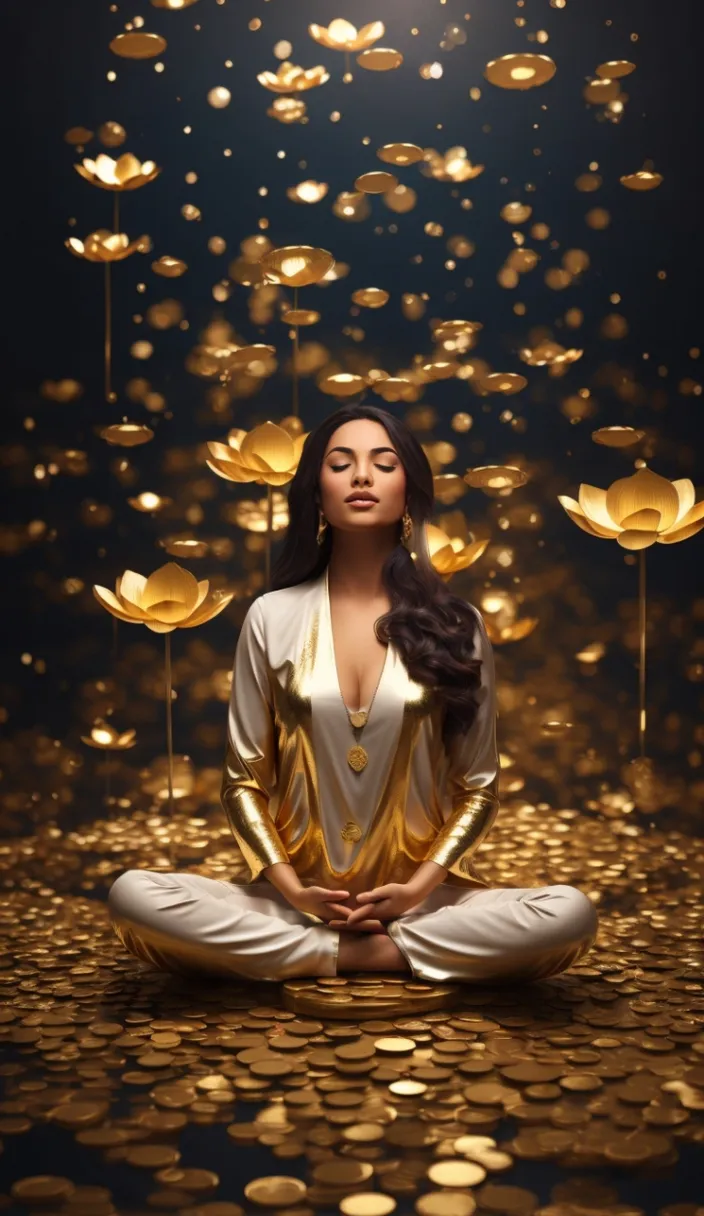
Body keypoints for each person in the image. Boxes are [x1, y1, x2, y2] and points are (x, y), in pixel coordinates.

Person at [108, 405, 598, 985]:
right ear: (316, 490)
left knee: (568, 913)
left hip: (422, 907)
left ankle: (332, 955)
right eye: (341, 465)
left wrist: (418, 887)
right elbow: (243, 782)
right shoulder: (271, 616)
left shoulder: (456, 624)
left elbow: (479, 788)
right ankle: (372, 957)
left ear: (409, 489)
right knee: (134, 895)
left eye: (382, 464)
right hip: (294, 906)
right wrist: (293, 889)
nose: (362, 477)